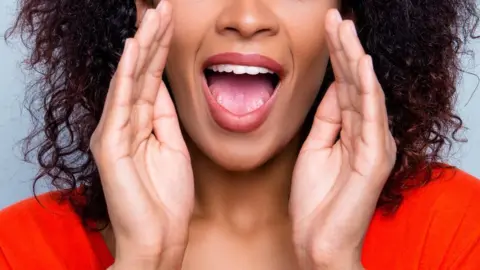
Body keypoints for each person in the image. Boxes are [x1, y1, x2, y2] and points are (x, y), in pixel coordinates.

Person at [1, 0, 480, 269]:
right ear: (147, 7)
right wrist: (143, 262)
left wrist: (332, 262)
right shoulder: (18, 249)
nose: (247, 18)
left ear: (349, 14)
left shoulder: (455, 230)